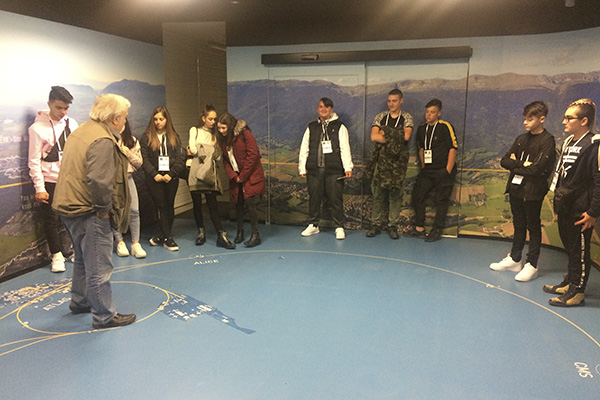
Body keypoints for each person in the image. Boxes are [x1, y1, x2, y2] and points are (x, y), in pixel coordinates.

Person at [52, 93, 136, 329]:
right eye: (124, 116)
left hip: (68, 206)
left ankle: (80, 301)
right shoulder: (102, 140)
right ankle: (104, 315)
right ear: (115, 118)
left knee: (82, 258)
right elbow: (100, 181)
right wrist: (103, 211)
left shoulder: (82, 131)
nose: (125, 120)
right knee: (99, 264)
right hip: (88, 210)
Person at [489, 101, 555, 281]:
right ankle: (515, 258)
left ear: (542, 119)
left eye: (530, 119)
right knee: (518, 224)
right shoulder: (521, 139)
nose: (525, 122)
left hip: (533, 191)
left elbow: (538, 168)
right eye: (525, 118)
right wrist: (523, 164)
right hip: (516, 188)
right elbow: (504, 161)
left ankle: (532, 264)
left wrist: (516, 165)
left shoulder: (547, 140)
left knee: (533, 226)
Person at [543, 99, 600, 307]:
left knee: (580, 251)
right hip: (566, 206)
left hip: (582, 210)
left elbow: (599, 181)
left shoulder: (594, 145)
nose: (563, 121)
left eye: (569, 118)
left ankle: (577, 292)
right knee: (571, 248)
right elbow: (561, 175)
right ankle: (570, 282)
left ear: (584, 121)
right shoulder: (568, 142)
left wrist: (593, 212)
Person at [28, 86, 78, 272]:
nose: (63, 112)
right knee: (51, 219)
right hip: (50, 181)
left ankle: (75, 250)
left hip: (71, 180)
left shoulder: (72, 123)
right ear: (49, 104)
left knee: (74, 216)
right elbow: (33, 161)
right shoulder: (36, 129)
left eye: (66, 108)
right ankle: (56, 255)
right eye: (59, 107)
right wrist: (40, 188)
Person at [298, 97, 353, 239]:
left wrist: (348, 167)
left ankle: (339, 226)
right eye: (321, 107)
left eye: (327, 107)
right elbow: (304, 147)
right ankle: (313, 225)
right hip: (314, 170)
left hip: (334, 171)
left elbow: (345, 147)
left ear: (331, 109)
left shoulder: (340, 127)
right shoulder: (311, 127)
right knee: (314, 198)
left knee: (336, 199)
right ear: (318, 109)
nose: (324, 109)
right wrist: (302, 167)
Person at [366, 88, 414, 239]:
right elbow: (374, 136)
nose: (391, 104)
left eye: (394, 101)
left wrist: (384, 132)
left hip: (398, 163)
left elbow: (406, 136)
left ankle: (392, 225)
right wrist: (396, 134)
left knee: (395, 195)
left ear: (401, 101)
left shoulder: (407, 117)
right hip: (381, 161)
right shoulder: (380, 117)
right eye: (389, 101)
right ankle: (375, 224)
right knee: (377, 194)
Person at [410, 98, 458, 242]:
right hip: (428, 170)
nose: (428, 115)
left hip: (443, 169)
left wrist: (448, 170)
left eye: (432, 112)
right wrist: (423, 166)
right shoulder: (421, 128)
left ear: (438, 113)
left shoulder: (445, 127)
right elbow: (421, 148)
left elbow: (452, 148)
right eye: (427, 112)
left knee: (441, 200)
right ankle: (419, 228)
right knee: (417, 195)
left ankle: (436, 230)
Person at [187, 105, 235, 249]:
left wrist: (202, 150)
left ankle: (221, 234)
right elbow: (192, 149)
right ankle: (201, 232)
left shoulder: (216, 135)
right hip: (195, 171)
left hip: (209, 173)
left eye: (214, 119)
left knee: (212, 203)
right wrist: (209, 152)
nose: (213, 122)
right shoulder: (194, 130)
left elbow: (218, 156)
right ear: (203, 118)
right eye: (210, 119)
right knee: (196, 203)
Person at [217, 112, 265, 247]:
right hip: (236, 178)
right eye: (219, 128)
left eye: (223, 128)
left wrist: (242, 176)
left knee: (251, 204)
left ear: (230, 126)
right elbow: (226, 161)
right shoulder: (223, 140)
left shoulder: (245, 134)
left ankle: (255, 235)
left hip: (250, 176)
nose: (221, 131)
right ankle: (240, 231)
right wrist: (233, 176)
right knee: (237, 204)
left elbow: (253, 155)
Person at [140, 106, 185, 251]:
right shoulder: (146, 137)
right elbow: (144, 159)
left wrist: (171, 174)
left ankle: (164, 235)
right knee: (161, 206)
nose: (158, 122)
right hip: (155, 178)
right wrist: (155, 174)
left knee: (169, 205)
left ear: (167, 120)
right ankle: (167, 239)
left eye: (161, 119)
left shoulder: (174, 136)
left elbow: (180, 157)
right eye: (155, 119)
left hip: (171, 177)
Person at [113, 120, 147, 259]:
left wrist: (127, 153)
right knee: (116, 212)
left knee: (134, 210)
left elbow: (139, 163)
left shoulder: (132, 141)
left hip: (128, 178)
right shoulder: (108, 140)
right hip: (114, 181)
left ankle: (135, 243)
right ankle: (119, 241)